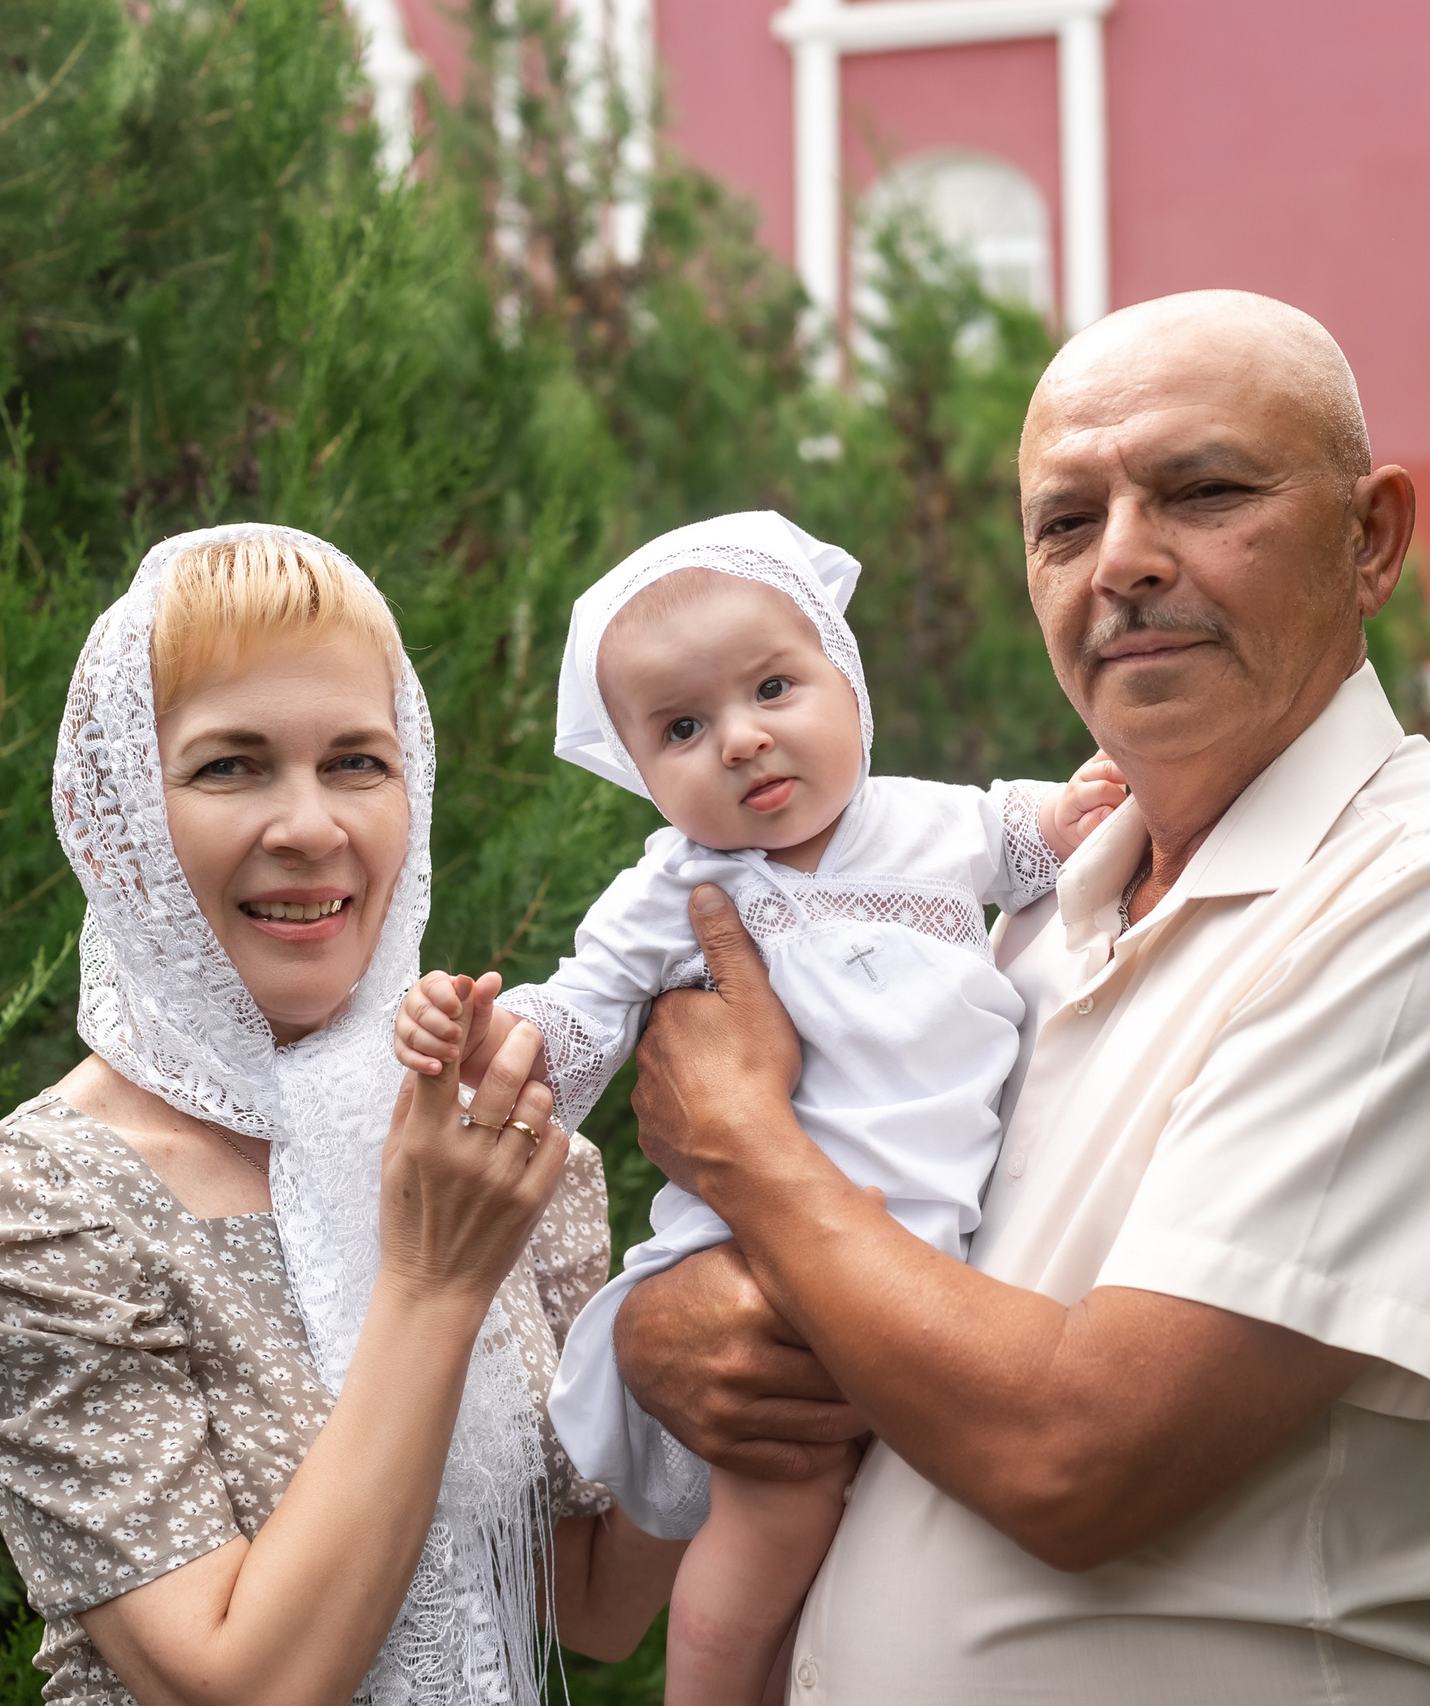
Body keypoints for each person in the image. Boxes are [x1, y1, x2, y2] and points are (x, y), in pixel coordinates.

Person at [610, 292, 1430, 1704]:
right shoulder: (1020, 909)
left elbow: (1081, 1455)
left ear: (1372, 537)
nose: (1127, 564)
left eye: (1205, 493)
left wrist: (746, 1150)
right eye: (1067, 522)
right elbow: (891, 1285)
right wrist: (671, 1325)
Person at [0, 525, 681, 1706]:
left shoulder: (470, 1137)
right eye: (231, 765)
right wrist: (433, 1277)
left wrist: (714, 1349)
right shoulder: (41, 1210)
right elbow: (243, 1682)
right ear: (114, 820)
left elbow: (587, 1601)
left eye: (357, 761)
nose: (309, 826)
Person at [395, 511, 1122, 1706]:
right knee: (783, 1508)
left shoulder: (927, 821)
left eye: (774, 685)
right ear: (639, 765)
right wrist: (493, 1042)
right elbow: (582, 1012)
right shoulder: (679, 883)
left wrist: (1092, 800)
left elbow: (1033, 834)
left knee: (871, 1536)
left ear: (847, 674)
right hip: (771, 1259)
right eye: (680, 727)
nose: (740, 740)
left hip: (940, 1240)